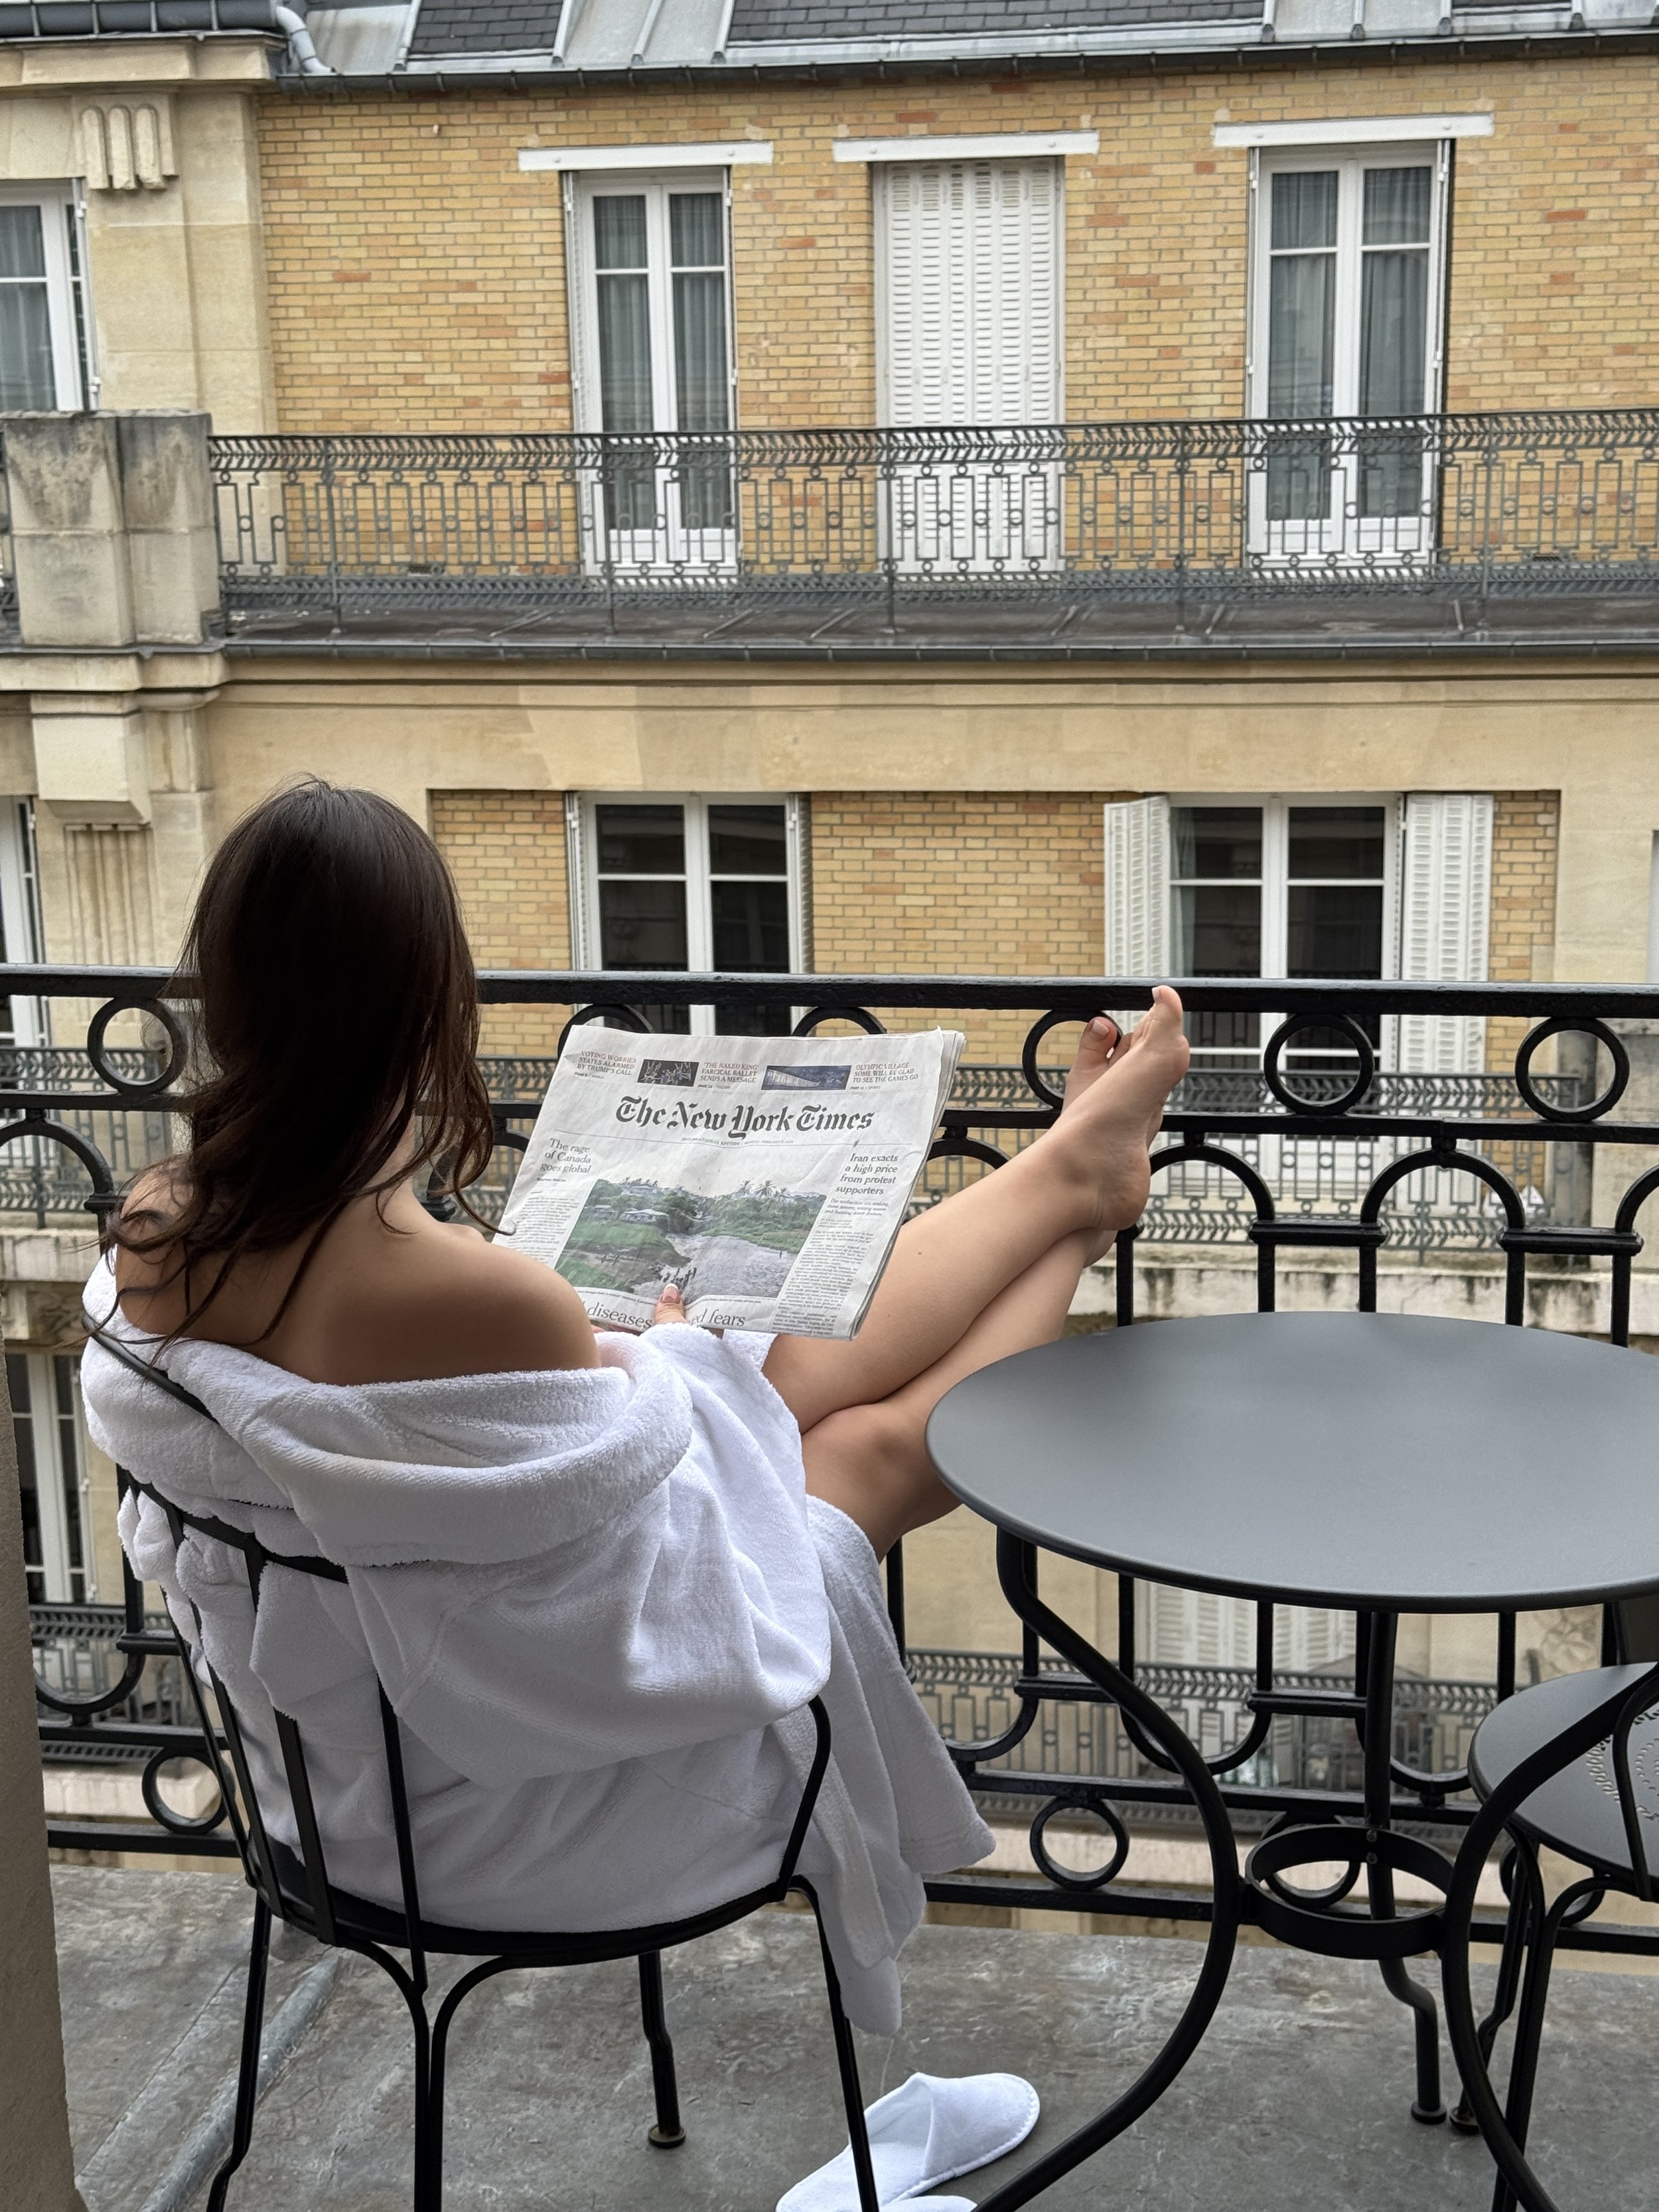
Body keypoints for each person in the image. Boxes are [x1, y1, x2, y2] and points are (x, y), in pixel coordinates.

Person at [80, 782, 1189, 2048]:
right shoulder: (468, 1289)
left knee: (756, 1385)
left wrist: (675, 1361)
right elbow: (653, 1534)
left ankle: (1073, 1187)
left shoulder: (158, 1233)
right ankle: (1085, 1204)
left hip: (326, 1787)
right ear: (427, 1009)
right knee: (849, 1451)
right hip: (524, 1811)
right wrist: (669, 1351)